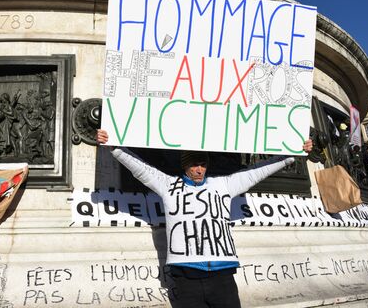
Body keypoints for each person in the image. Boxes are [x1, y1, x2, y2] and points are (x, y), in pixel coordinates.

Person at [97, 129, 313, 308]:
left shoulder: (224, 185)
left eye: (203, 164)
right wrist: (114, 148)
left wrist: (292, 155)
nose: (199, 169)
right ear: (185, 165)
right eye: (194, 164)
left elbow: (256, 172)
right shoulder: (168, 186)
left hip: (223, 277)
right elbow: (141, 169)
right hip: (186, 278)